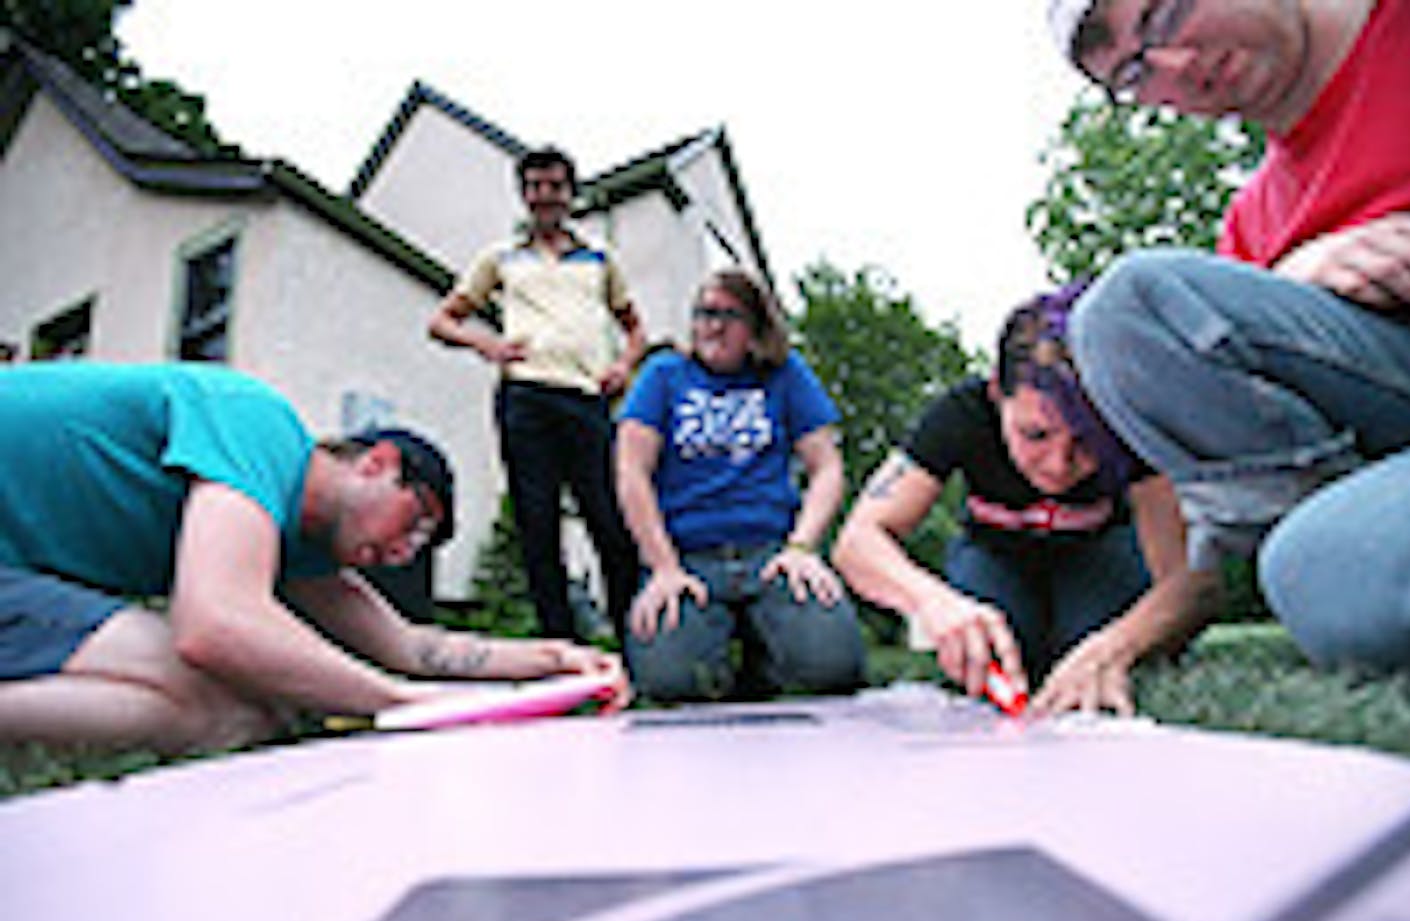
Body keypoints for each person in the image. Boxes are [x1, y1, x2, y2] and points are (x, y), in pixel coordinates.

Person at [1046, 0, 1410, 685]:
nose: (1175, 66)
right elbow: (1209, 545)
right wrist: (1127, 639)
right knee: (1316, 575)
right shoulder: (1251, 231)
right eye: (1134, 72)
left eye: (1165, 14)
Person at [0, 362, 628, 753]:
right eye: (416, 523)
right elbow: (214, 625)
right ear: (377, 462)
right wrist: (401, 703)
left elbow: (411, 646)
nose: (403, 552)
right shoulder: (258, 426)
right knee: (217, 698)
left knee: (239, 714)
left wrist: (555, 659)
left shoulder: (296, 550)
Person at [834, 285, 1216, 713]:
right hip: (995, 555)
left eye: (1089, 442)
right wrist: (932, 601)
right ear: (998, 394)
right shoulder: (960, 416)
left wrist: (1118, 645)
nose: (1058, 465)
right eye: (1035, 435)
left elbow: (1191, 579)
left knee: (1094, 640)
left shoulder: (1132, 422)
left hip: (1098, 552)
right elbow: (857, 542)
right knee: (994, 646)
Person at [615, 269, 865, 702]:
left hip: (770, 555)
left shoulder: (785, 375)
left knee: (836, 666)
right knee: (670, 682)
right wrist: (662, 567)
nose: (712, 325)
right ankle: (725, 665)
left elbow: (826, 467)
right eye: (703, 313)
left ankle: (762, 658)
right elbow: (631, 471)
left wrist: (802, 548)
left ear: (756, 327)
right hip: (689, 559)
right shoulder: (663, 375)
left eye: (727, 315)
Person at [429, 145, 643, 645]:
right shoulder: (501, 259)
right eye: (535, 187)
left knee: (609, 523)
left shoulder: (599, 260)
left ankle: (639, 651)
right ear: (524, 195)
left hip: (586, 400)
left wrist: (624, 366)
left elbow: (635, 328)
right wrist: (486, 344)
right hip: (526, 398)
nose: (545, 196)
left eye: (555, 186)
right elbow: (441, 321)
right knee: (538, 526)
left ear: (571, 194)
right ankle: (562, 653)